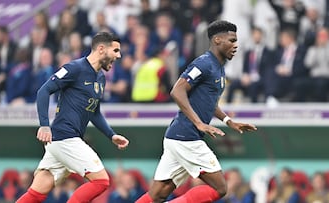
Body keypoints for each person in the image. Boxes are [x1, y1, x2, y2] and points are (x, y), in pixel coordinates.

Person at [135, 20, 257, 203]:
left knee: (158, 194)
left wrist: (229, 121)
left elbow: (209, 103)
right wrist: (199, 123)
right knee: (220, 188)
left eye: (236, 41)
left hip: (177, 137)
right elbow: (177, 90)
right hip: (187, 137)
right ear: (217, 40)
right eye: (231, 40)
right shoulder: (204, 63)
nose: (235, 45)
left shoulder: (219, 68)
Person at [16, 32, 129, 203]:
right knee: (101, 181)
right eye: (115, 51)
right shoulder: (74, 68)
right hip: (64, 137)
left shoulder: (100, 78)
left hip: (63, 141)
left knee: (36, 193)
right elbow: (43, 91)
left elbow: (95, 111)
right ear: (101, 49)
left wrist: (111, 135)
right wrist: (44, 125)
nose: (118, 56)